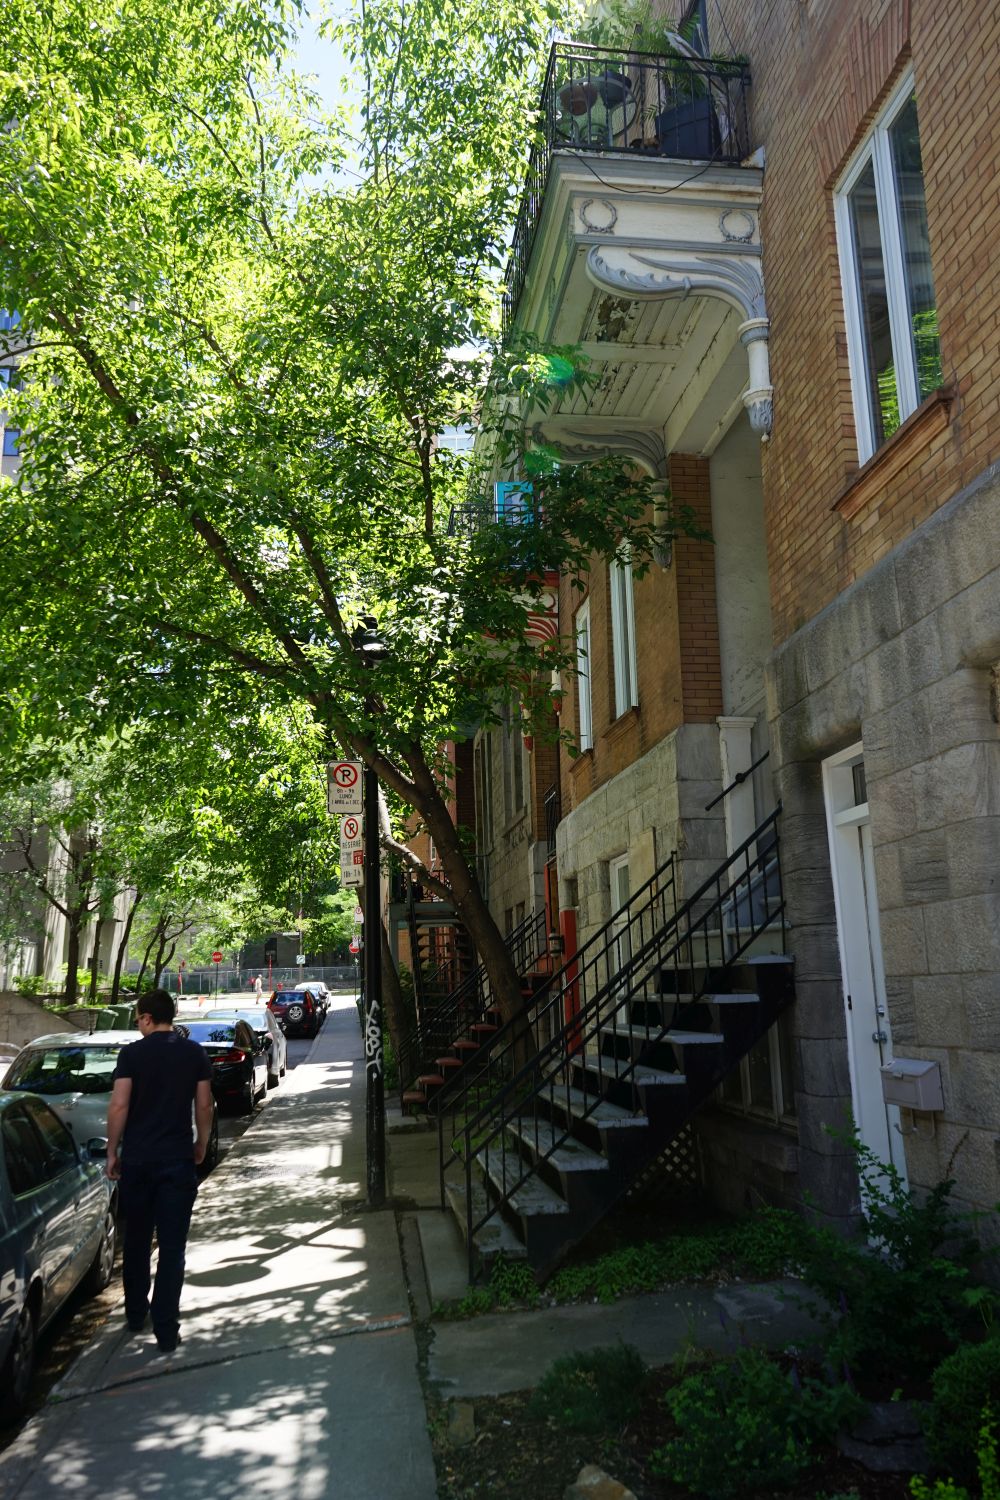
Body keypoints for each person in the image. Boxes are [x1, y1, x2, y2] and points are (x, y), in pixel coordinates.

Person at [106, 988, 214, 1353]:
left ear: (148, 1018)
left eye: (138, 1018)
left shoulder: (131, 1055)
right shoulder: (193, 1053)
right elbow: (204, 1105)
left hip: (138, 1161)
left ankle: (136, 1313)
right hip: (177, 1161)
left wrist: (112, 1151)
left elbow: (119, 1105)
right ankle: (166, 1329)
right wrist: (201, 1143)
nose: (138, 1024)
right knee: (171, 1248)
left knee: (136, 1241)